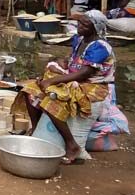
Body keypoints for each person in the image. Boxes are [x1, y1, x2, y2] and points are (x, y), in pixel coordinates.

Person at [18, 11, 114, 164]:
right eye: (79, 22)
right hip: (73, 79)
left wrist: (52, 81)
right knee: (30, 91)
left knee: (50, 101)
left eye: (84, 24)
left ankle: (72, 144)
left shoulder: (100, 47)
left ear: (95, 28)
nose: (79, 26)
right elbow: (73, 61)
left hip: (91, 86)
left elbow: (84, 73)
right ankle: (36, 131)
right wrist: (60, 64)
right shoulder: (80, 39)